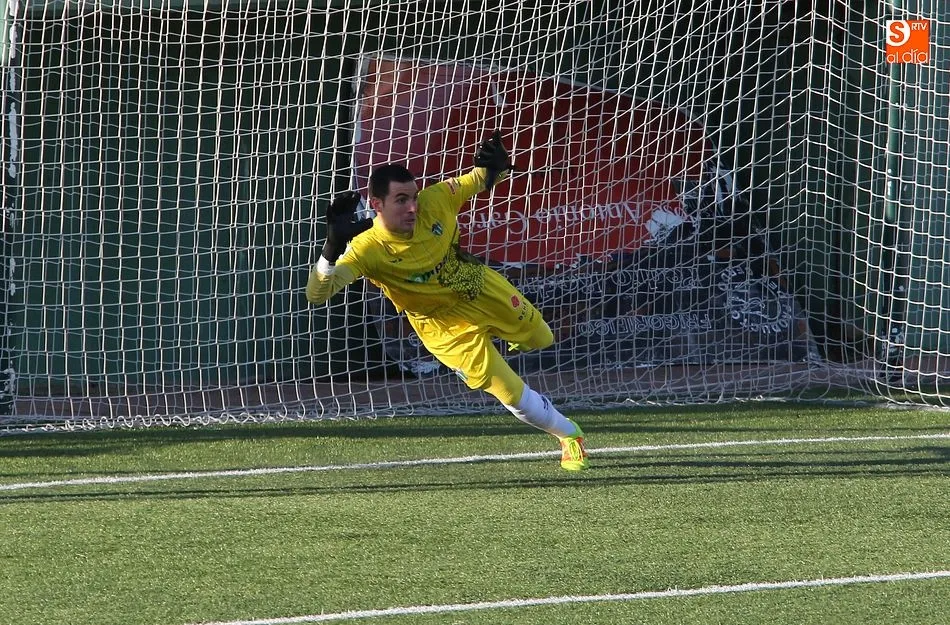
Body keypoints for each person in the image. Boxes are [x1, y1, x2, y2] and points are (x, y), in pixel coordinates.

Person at [306, 132, 589, 471]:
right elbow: (317, 294)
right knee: (510, 392)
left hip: (477, 286)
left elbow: (479, 178)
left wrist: (495, 168)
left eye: (413, 197)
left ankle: (506, 334)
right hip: (442, 327)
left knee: (543, 337)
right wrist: (332, 247)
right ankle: (569, 435)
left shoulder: (437, 199)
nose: (412, 207)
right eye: (400, 200)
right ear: (377, 204)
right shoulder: (368, 249)